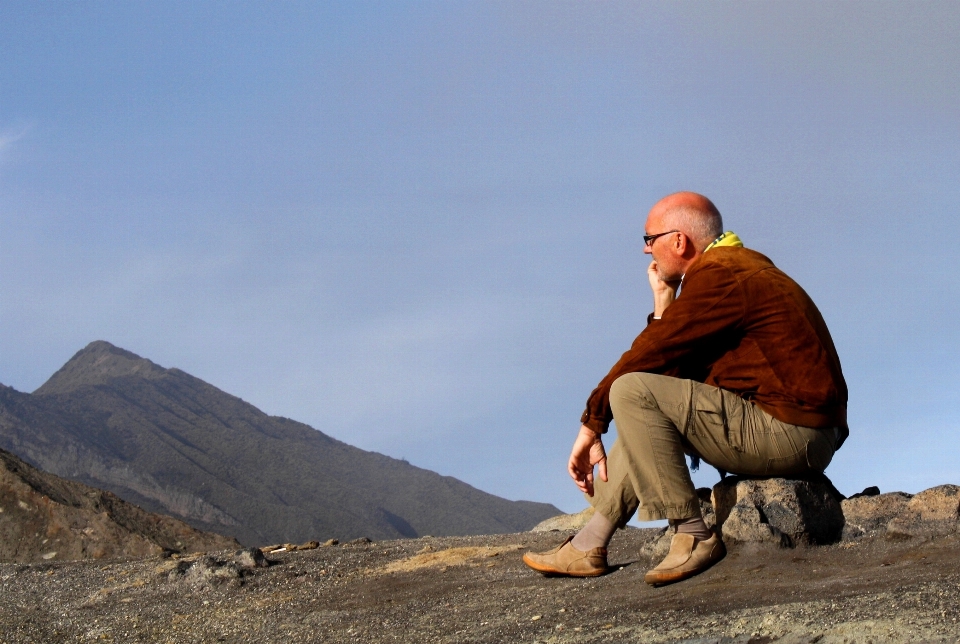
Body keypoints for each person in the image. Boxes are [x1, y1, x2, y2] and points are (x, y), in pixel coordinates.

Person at [523, 192, 848, 586]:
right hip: (801, 431)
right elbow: (670, 368)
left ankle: (692, 534)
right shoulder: (731, 271)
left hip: (791, 432)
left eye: (649, 238)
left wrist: (592, 424)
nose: (646, 251)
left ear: (679, 241)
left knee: (631, 392)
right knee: (643, 398)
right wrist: (663, 304)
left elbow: (651, 360)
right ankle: (589, 545)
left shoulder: (723, 275)